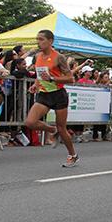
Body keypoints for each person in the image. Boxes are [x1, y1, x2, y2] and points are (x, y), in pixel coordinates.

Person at [25, 30, 78, 167]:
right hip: (44, 94)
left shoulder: (59, 57)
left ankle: (73, 155)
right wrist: (35, 85)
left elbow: (71, 78)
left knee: (62, 128)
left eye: (41, 39)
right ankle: (51, 130)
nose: (39, 42)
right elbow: (39, 74)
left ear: (50, 41)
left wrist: (53, 78)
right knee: (30, 122)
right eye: (37, 39)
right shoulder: (37, 56)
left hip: (58, 94)